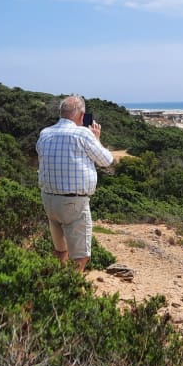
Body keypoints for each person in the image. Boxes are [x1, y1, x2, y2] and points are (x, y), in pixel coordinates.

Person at [36, 95, 114, 272]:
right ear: (81, 115)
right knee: (80, 255)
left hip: (49, 200)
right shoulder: (83, 133)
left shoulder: (45, 133)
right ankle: (70, 291)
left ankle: (56, 283)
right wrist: (96, 139)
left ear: (61, 113)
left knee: (60, 249)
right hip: (73, 202)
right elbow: (106, 160)